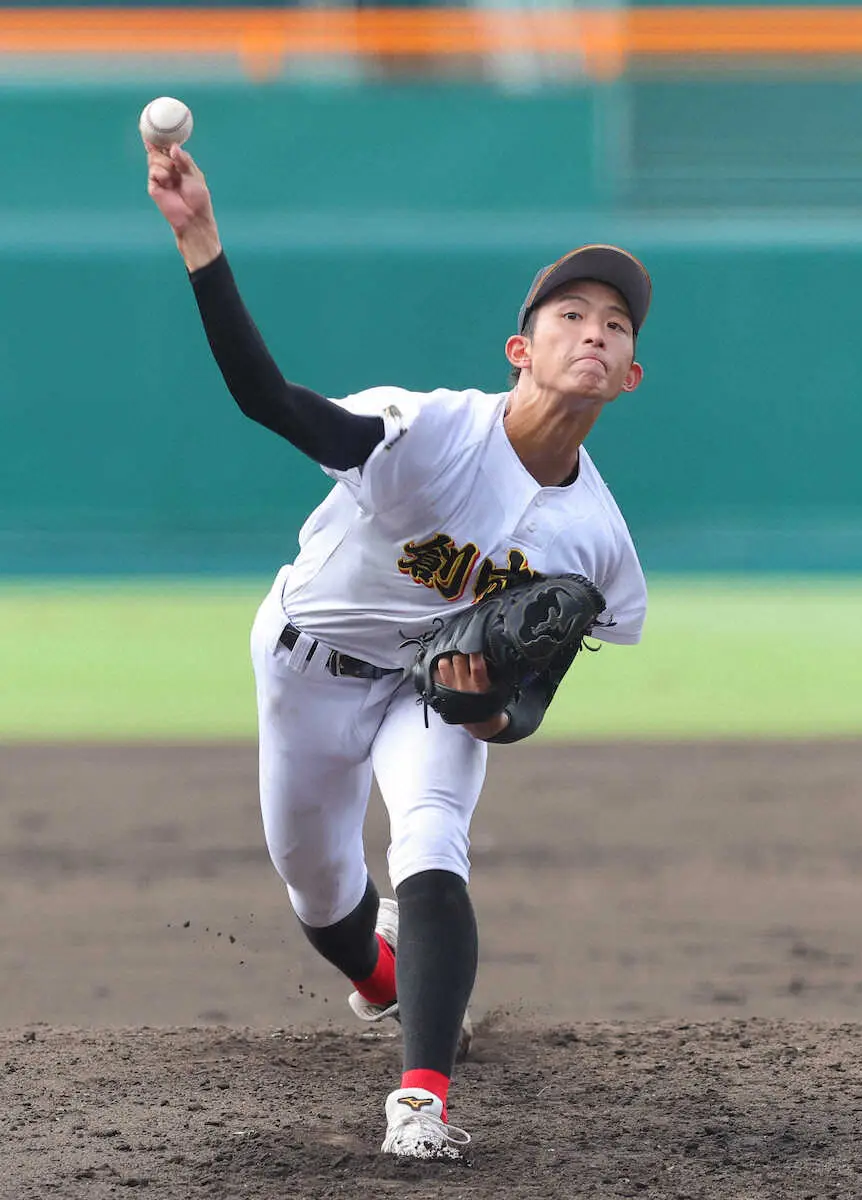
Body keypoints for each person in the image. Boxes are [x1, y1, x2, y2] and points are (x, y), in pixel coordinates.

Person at [144, 137, 651, 1160]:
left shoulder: (598, 541)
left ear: (630, 375)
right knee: (322, 897)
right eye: (570, 316)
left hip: (427, 689)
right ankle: (379, 980)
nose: (592, 333)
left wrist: (483, 711)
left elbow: (529, 701)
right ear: (522, 351)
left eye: (614, 325)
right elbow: (270, 403)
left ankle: (420, 1102)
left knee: (431, 839)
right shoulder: (424, 433)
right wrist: (201, 241)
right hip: (306, 664)